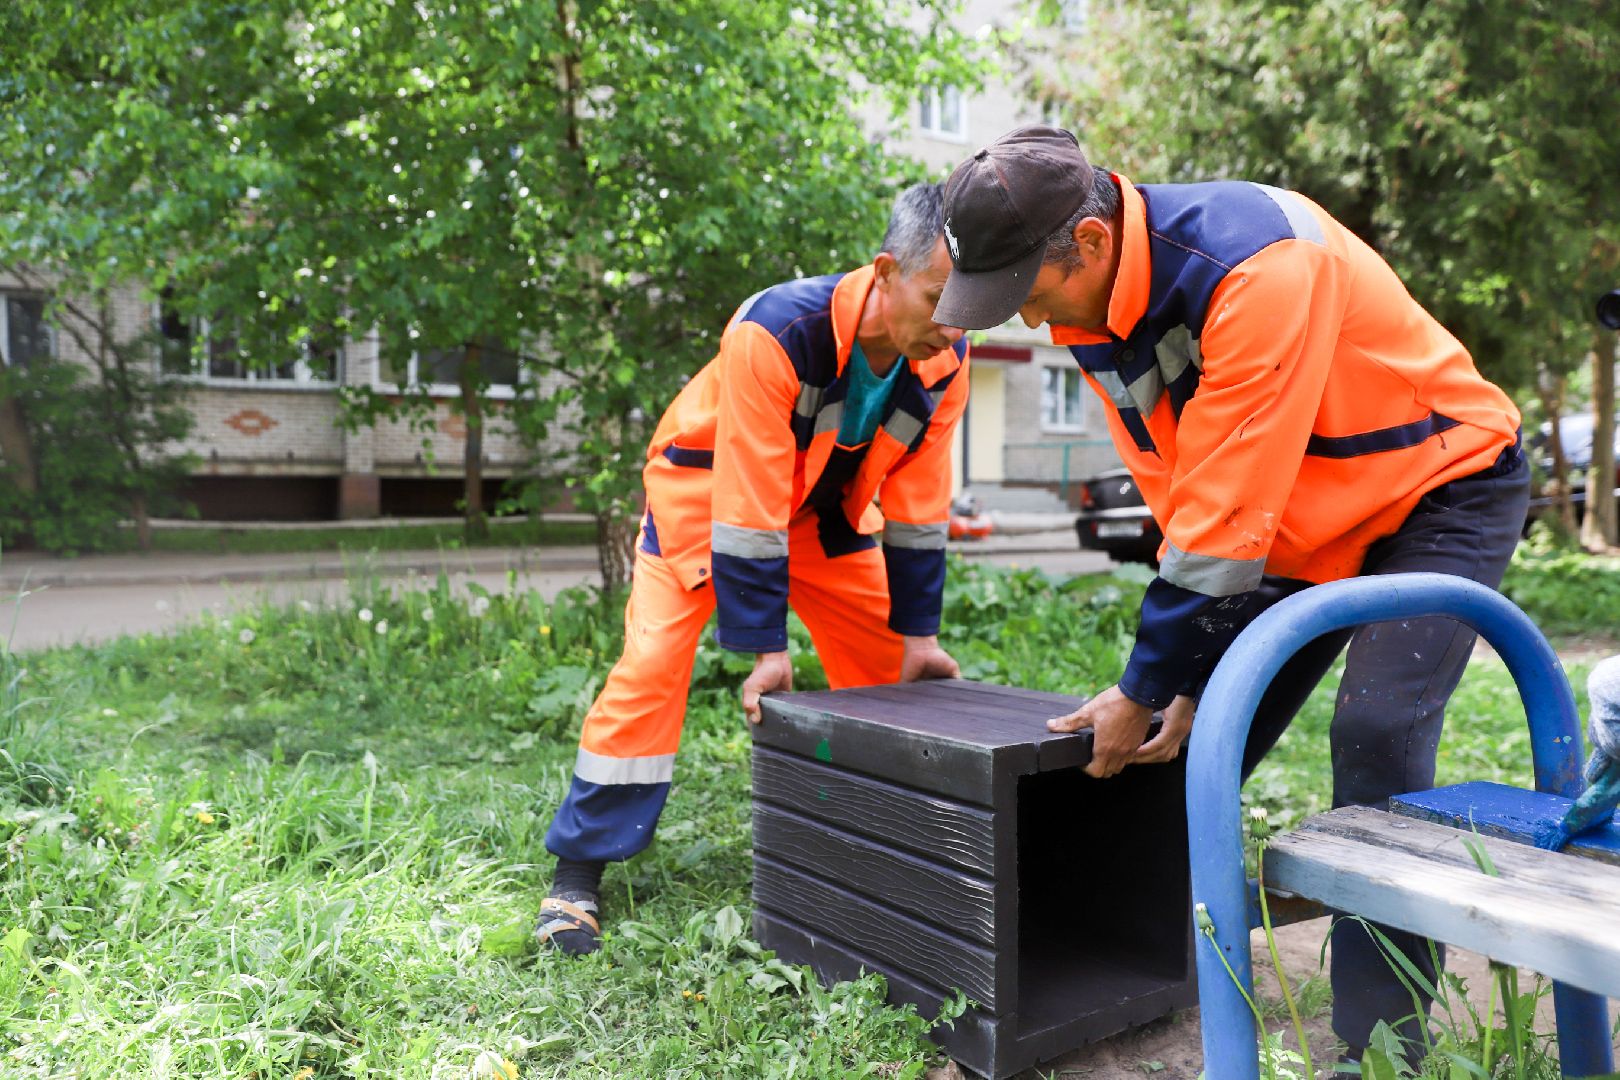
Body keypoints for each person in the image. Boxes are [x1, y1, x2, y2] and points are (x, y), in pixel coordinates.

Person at [933, 126, 1529, 1065]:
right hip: (1294, 520)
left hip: (1437, 485)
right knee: (1196, 734)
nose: (1035, 325)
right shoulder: (1095, 314)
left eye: (1031, 297)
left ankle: (1385, 1042)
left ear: (1088, 242)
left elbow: (1223, 517)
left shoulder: (1259, 263)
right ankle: (1131, 966)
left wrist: (1143, 681)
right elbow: (1185, 497)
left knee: (1375, 730)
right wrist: (1178, 674)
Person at [537, 183, 969, 955]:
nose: (954, 322)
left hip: (821, 516)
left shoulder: (946, 361)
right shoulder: (776, 329)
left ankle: (900, 849)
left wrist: (920, 632)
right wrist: (766, 646)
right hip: (708, 498)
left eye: (968, 302)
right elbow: (748, 502)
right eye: (939, 297)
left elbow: (919, 505)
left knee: (894, 677)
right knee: (653, 665)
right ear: (885, 272)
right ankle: (577, 875)